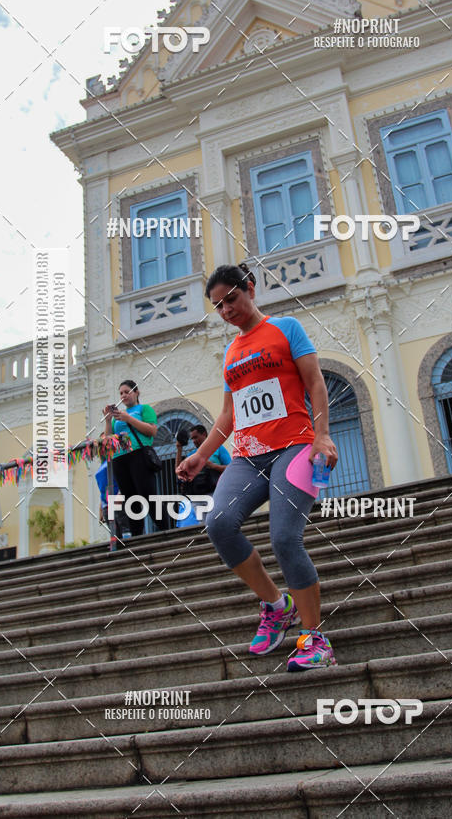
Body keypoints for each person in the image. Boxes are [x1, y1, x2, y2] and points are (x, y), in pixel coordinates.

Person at [177, 263, 338, 671]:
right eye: (218, 306)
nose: (227, 310)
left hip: (296, 446)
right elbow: (229, 415)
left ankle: (315, 637)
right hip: (248, 457)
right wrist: (200, 455)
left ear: (250, 288)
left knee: (284, 537)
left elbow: (316, 382)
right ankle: (275, 605)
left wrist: (322, 435)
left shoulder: (286, 328)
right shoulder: (231, 352)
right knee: (218, 523)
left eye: (232, 298)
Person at [103, 380, 163, 534]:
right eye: (121, 393)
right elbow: (109, 439)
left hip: (138, 454)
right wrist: (109, 420)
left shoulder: (144, 409)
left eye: (127, 391)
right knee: (130, 499)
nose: (123, 395)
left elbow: (152, 431)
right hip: (120, 458)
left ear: (136, 393)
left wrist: (128, 418)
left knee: (147, 494)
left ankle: (166, 528)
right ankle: (137, 535)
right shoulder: (118, 417)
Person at [175, 424, 231, 496]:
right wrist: (179, 449)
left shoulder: (218, 448)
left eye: (195, 437)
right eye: (192, 438)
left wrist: (212, 466)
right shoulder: (192, 455)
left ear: (204, 434)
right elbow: (179, 471)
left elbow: (230, 468)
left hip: (217, 491)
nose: (194, 441)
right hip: (198, 495)